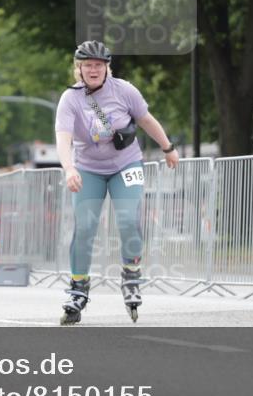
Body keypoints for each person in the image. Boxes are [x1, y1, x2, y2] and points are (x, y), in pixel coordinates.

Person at [54, 40, 179, 324]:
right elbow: (63, 137)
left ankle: (131, 275)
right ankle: (78, 288)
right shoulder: (70, 99)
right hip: (87, 168)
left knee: (128, 220)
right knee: (85, 227)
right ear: (79, 69)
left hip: (126, 165)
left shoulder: (124, 90)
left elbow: (146, 120)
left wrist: (168, 148)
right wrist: (69, 168)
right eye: (88, 65)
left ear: (107, 68)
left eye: (99, 65)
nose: (94, 70)